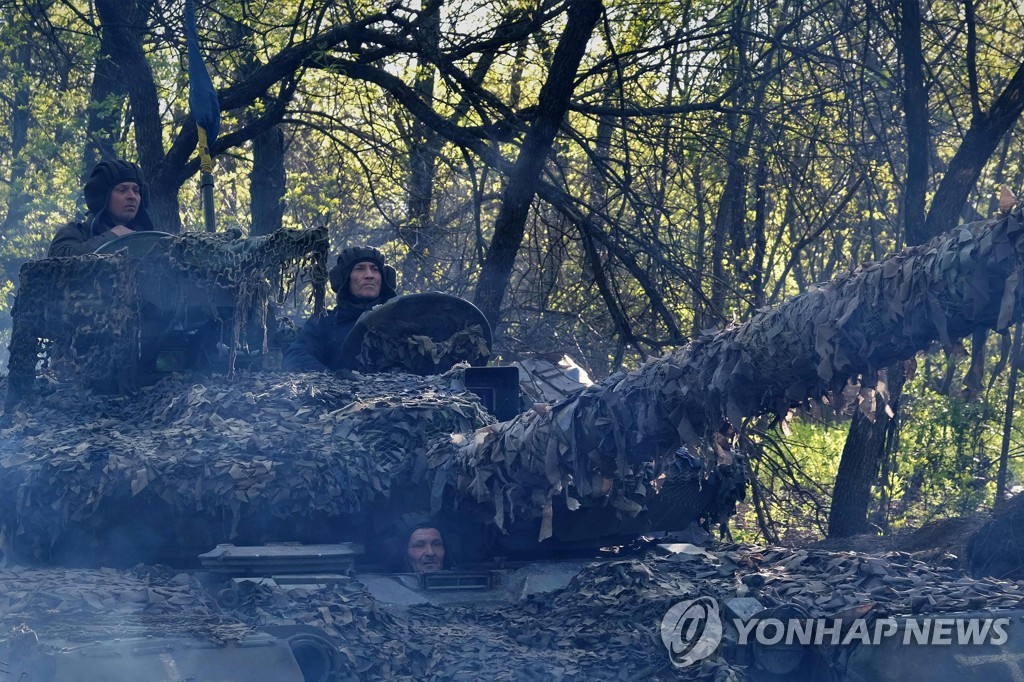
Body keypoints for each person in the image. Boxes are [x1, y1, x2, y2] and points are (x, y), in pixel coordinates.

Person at [283, 245, 398, 371]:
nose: (369, 275)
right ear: (344, 278)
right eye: (360, 269)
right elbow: (296, 357)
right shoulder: (325, 322)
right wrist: (332, 379)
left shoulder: (402, 320)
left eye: (375, 269)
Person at [49, 159, 156, 257]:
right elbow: (57, 263)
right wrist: (113, 236)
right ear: (103, 197)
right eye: (122, 190)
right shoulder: (76, 233)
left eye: (136, 191)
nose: (132, 196)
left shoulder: (151, 241)